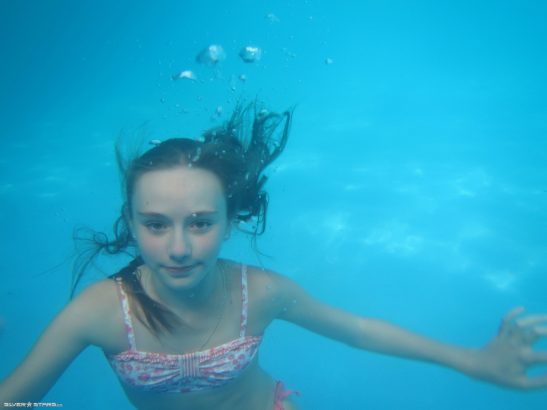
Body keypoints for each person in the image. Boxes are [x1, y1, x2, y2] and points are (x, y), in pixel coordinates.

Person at [0, 103, 546, 410]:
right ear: (131, 220)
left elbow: (357, 330)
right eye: (156, 224)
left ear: (231, 220)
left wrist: (471, 360)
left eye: (201, 223)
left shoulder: (258, 293)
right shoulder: (98, 313)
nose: (179, 247)